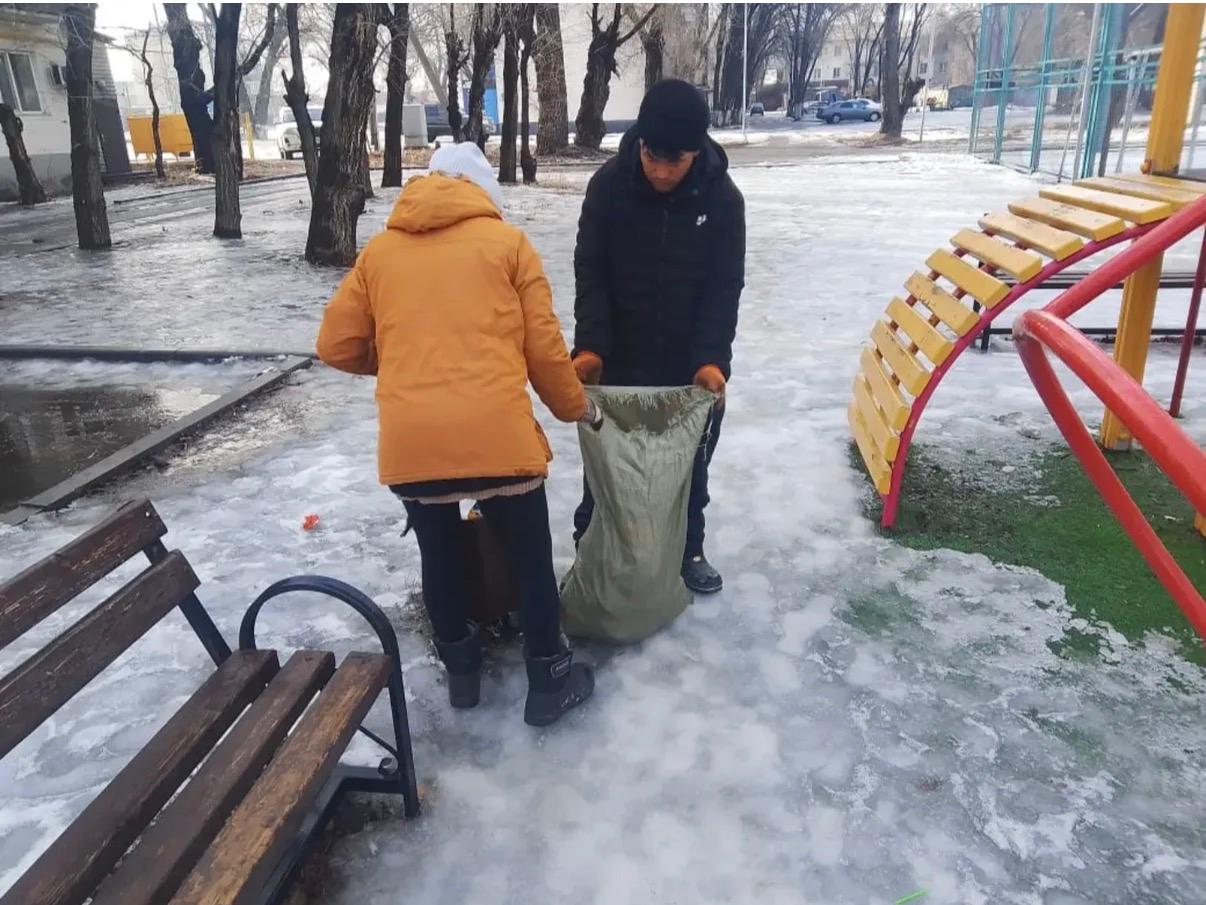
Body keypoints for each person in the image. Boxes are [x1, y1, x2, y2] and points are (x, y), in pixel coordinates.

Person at [316, 143, 598, 727]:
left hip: (414, 444)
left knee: (438, 553)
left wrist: (402, 363)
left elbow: (335, 346)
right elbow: (545, 353)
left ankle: (462, 672)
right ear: (481, 193)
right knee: (531, 555)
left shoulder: (380, 252)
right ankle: (549, 675)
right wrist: (578, 409)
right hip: (498, 434)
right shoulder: (508, 246)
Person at [571, 79, 745, 594]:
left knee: (688, 465)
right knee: (609, 464)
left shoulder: (723, 200)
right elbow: (591, 270)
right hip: (619, 353)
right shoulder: (608, 187)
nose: (662, 171)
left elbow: (723, 286)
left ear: (697, 151)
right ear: (640, 143)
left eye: (676, 161)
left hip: (687, 361)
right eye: (653, 156)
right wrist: (591, 346)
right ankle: (594, 543)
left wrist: (712, 359)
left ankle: (689, 546)